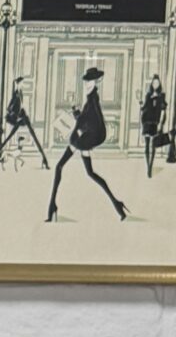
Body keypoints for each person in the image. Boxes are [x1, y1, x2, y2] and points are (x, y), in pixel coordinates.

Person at [47, 65, 127, 222]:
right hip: (86, 138)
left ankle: (52, 206)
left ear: (96, 82)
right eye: (86, 81)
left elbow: (93, 122)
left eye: (90, 81)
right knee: (90, 173)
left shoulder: (93, 100)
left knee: (59, 166)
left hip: (86, 139)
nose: (87, 84)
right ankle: (117, 204)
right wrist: (77, 113)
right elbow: (86, 120)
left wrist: (76, 122)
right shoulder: (91, 98)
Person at [141, 73, 167, 179]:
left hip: (155, 123)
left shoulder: (162, 96)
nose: (155, 84)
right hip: (146, 122)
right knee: (147, 146)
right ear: (152, 84)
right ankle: (148, 167)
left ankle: (150, 166)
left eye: (157, 83)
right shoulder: (148, 95)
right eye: (154, 82)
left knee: (153, 146)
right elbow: (144, 108)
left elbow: (164, 110)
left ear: (159, 84)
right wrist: (141, 104)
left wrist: (161, 123)